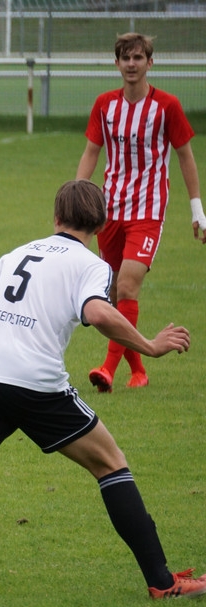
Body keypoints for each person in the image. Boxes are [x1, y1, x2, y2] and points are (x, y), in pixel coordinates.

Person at [0, 179, 205, 600]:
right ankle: (163, 583)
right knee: (111, 465)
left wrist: (5, 334)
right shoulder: (91, 264)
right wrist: (149, 345)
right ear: (100, 224)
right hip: (37, 383)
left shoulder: (18, 253)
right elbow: (98, 312)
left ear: (55, 216)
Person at [77, 32, 206, 393]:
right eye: (125, 58)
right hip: (111, 210)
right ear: (116, 63)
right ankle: (138, 371)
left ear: (150, 63)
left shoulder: (166, 106)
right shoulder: (105, 105)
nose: (131, 64)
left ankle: (107, 369)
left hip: (148, 211)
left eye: (138, 58)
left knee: (128, 285)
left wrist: (197, 209)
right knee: (114, 293)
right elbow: (91, 152)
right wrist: (76, 200)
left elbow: (185, 156)